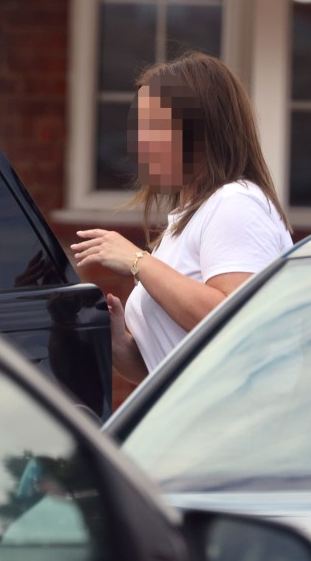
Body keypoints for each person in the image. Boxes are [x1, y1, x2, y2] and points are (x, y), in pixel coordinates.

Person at [70, 51, 292, 383]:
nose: (140, 141)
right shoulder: (192, 216)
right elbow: (161, 367)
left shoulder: (235, 203)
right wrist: (117, 343)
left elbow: (235, 319)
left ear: (202, 132)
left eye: (155, 126)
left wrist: (137, 261)